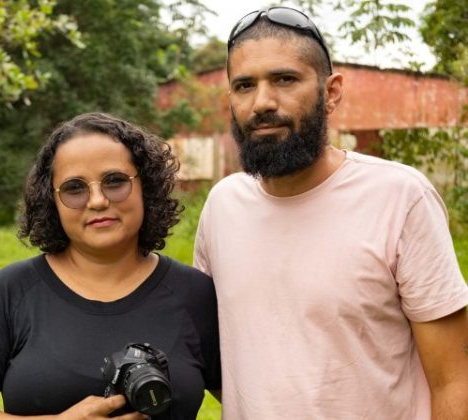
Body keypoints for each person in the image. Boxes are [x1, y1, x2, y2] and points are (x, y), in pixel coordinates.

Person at [193, 6, 468, 419]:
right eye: (244, 85)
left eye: (285, 79)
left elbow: (453, 380)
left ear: (332, 92)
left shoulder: (400, 198)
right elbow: (216, 352)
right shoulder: (222, 206)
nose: (262, 102)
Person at [0, 112, 221, 419]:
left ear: (146, 186)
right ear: (51, 200)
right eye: (74, 188)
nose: (97, 201)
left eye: (115, 181)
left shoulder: (195, 295)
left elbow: (250, 399)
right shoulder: (12, 292)